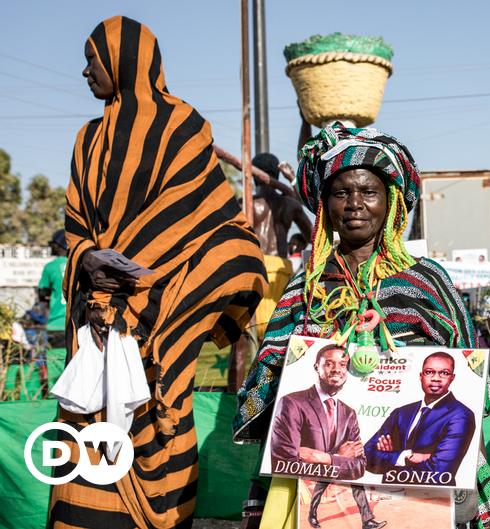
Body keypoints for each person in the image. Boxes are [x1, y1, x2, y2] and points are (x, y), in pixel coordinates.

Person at [51, 17, 267, 529]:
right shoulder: (88, 139)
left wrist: (152, 281)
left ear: (126, 62)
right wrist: (86, 259)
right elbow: (77, 226)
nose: (85, 72)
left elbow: (222, 231)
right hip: (95, 325)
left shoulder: (183, 127)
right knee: (85, 438)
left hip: (158, 327)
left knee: (157, 437)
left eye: (93, 60)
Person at [234, 123, 490, 527]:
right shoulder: (307, 286)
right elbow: (270, 368)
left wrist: (469, 468)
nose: (355, 204)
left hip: (414, 476)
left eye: (369, 192)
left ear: (391, 202)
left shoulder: (427, 280)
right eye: (342, 193)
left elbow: (469, 378)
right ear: (325, 205)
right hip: (320, 471)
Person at [269, 345, 384, 529]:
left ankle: (367, 520)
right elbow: (286, 456)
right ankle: (312, 516)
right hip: (312, 474)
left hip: (328, 465)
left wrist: (325, 458)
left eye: (343, 364)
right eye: (329, 364)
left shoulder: (349, 413)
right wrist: (338, 458)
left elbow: (359, 465)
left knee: (357, 483)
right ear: (317, 367)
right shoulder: (292, 402)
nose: (337, 369)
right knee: (318, 491)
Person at [365, 352, 475, 485]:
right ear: (421, 376)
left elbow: (439, 472)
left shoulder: (461, 415)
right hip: (390, 495)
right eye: (429, 372)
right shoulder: (401, 413)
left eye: (444, 373)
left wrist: (388, 459)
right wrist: (404, 457)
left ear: (452, 377)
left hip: (433, 499)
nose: (436, 378)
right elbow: (365, 456)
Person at [251, 152, 313, 339]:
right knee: (279, 337)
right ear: (276, 175)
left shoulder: (245, 205)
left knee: (244, 342)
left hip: (255, 271)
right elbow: (312, 234)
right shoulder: (289, 204)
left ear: (254, 176)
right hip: (280, 271)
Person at [37, 229, 68, 348]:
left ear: (58, 245)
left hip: (55, 325)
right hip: (77, 325)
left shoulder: (50, 267)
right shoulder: (78, 264)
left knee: (56, 363)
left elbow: (42, 294)